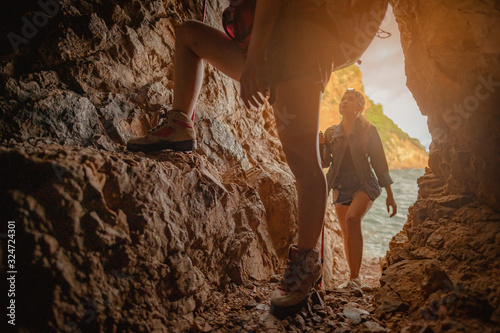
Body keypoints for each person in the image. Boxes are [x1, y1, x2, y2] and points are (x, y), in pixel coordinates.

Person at [127, 0, 389, 307]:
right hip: (270, 48)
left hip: (295, 46)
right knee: (189, 35)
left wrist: (255, 59)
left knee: (304, 163)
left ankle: (305, 266)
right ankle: (181, 124)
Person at [319, 89, 397, 291]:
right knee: (346, 232)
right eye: (342, 99)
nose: (344, 101)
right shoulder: (330, 133)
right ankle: (354, 278)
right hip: (339, 185)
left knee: (352, 219)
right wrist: (320, 145)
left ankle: (355, 280)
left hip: (364, 183)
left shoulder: (369, 130)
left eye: (350, 99)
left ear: (360, 108)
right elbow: (324, 162)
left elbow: (380, 162)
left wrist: (390, 195)